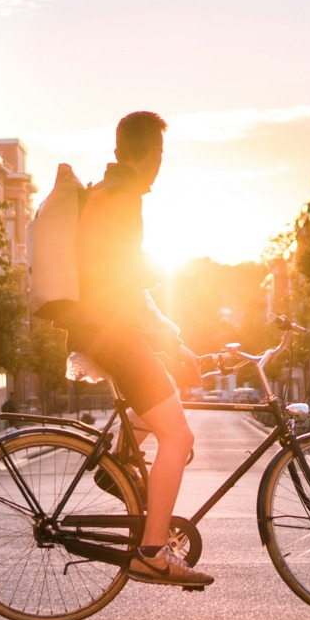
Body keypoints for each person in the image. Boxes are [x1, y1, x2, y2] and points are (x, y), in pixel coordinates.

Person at [68, 111, 209, 588]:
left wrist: (172, 338)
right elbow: (124, 277)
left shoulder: (107, 191)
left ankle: (120, 462)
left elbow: (125, 282)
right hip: (110, 333)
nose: (161, 163)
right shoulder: (124, 197)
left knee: (168, 392)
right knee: (179, 438)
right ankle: (151, 551)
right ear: (151, 153)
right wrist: (165, 277)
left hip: (103, 328)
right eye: (161, 154)